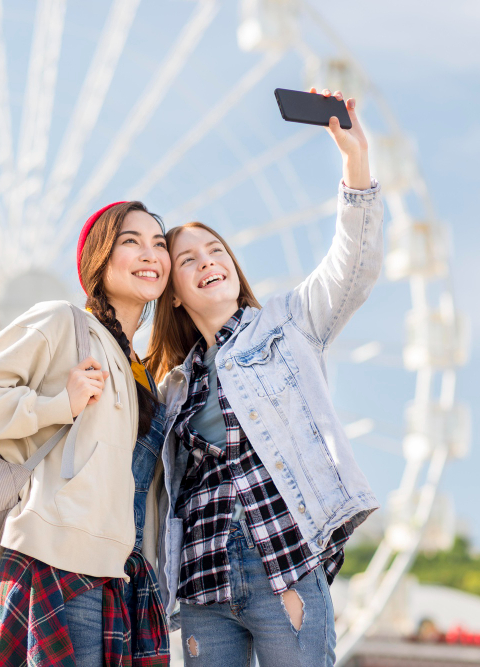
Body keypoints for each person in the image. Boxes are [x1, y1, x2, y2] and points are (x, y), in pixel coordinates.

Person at [145, 89, 382, 667]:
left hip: (280, 564)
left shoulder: (289, 322)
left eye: (215, 249)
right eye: (189, 259)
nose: (208, 261)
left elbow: (354, 262)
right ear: (173, 295)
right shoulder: (171, 388)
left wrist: (356, 160)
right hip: (201, 579)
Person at [0, 201, 172, 666]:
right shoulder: (62, 323)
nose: (151, 253)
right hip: (59, 567)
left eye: (159, 244)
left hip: (124, 582)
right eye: (131, 241)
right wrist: (58, 405)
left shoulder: (143, 376)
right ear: (99, 258)